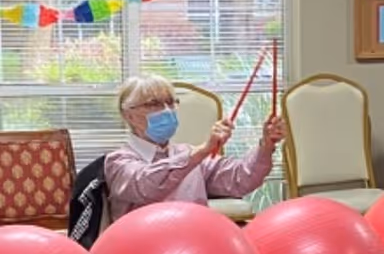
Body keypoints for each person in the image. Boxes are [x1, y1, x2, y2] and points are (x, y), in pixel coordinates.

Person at [105, 73, 286, 222]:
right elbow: (147, 186)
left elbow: (241, 179)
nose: (167, 110)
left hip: (195, 249)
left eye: (170, 102)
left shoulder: (190, 156)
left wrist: (266, 145)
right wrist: (202, 151)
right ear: (129, 115)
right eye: (153, 104)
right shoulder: (118, 161)